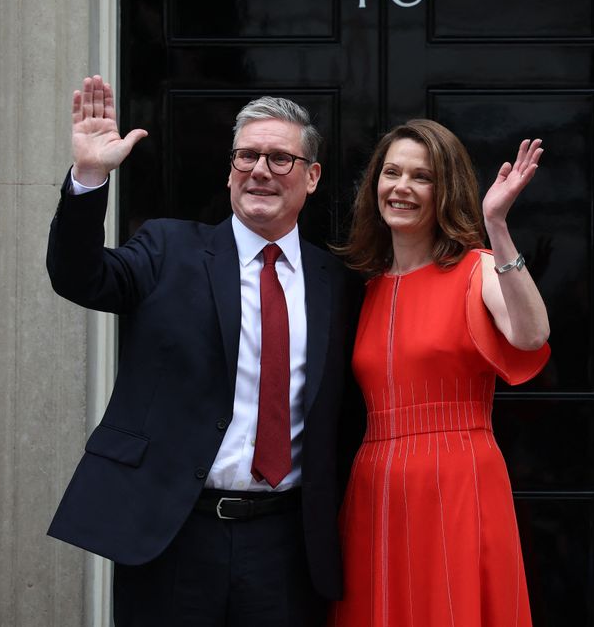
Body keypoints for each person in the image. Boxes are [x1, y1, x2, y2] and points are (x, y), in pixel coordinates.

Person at [46, 75, 359, 626]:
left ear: (312, 177)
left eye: (279, 159)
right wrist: (90, 177)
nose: (259, 170)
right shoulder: (169, 248)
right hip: (173, 536)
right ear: (230, 168)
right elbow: (79, 276)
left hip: (286, 545)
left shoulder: (338, 282)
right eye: (246, 156)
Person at [329, 119, 551, 626]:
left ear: (444, 188)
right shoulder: (364, 293)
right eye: (391, 172)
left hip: (457, 479)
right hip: (376, 487)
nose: (402, 187)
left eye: (421, 177)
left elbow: (531, 334)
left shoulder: (477, 269)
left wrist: (497, 225)